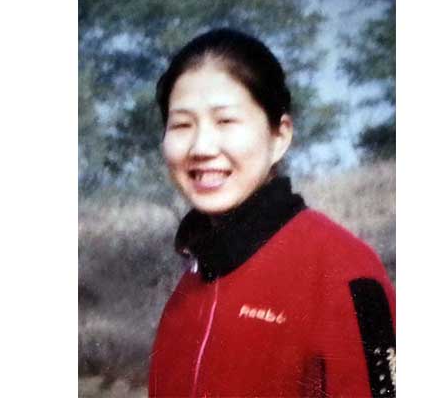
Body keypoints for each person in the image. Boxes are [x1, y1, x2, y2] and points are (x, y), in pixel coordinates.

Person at [148, 28, 396, 397]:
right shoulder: (192, 282)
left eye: (225, 121)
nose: (201, 146)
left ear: (280, 136)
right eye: (182, 124)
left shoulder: (343, 271)